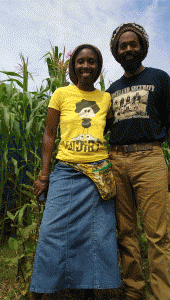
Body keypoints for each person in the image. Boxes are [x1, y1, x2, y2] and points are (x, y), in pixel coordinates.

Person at [30, 44, 121, 300]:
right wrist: (44, 175)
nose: (86, 66)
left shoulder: (106, 99)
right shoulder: (61, 94)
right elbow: (49, 135)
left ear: (98, 67)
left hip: (98, 176)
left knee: (96, 237)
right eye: (80, 61)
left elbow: (111, 131)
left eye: (91, 62)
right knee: (51, 233)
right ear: (73, 66)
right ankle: (46, 290)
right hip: (65, 172)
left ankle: (87, 291)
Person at [105, 23, 170, 300]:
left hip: (150, 158)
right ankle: (133, 290)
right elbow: (101, 128)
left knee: (158, 234)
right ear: (116, 52)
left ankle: (161, 293)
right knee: (125, 231)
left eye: (133, 44)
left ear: (142, 47)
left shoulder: (160, 78)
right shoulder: (111, 90)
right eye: (123, 45)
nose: (128, 48)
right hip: (117, 161)